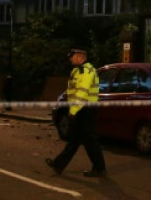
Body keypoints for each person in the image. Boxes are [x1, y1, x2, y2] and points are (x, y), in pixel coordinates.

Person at [45, 46, 107, 177]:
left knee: (87, 140)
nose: (70, 59)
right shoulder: (76, 71)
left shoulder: (87, 71)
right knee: (76, 139)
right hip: (80, 109)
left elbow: (82, 93)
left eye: (72, 57)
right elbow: (72, 90)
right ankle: (59, 164)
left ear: (80, 56)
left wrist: (73, 111)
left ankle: (99, 168)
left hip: (86, 110)